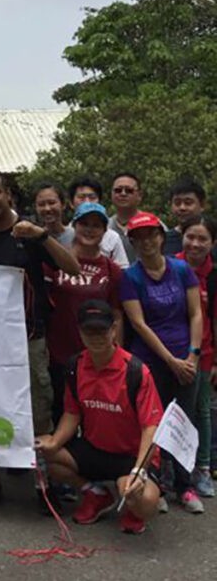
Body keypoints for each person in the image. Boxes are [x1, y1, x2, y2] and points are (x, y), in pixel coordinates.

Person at [0, 169, 80, 509]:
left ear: (8, 194)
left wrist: (41, 235)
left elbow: (71, 268)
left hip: (29, 338)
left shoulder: (29, 232)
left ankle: (45, 484)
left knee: (39, 412)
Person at [35, 300, 163, 535]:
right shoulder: (75, 366)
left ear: (113, 329)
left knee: (144, 501)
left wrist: (138, 471)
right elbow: (72, 413)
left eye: (102, 331)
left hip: (130, 455)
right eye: (89, 331)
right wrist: (54, 441)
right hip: (95, 448)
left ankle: (133, 509)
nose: (96, 337)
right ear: (80, 332)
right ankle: (95, 494)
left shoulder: (136, 371)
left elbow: (151, 427)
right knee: (48, 455)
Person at [120, 211, 204, 513]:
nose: (146, 242)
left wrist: (192, 355)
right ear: (132, 242)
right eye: (138, 238)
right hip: (152, 360)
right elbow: (139, 324)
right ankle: (158, 483)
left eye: (151, 235)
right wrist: (170, 360)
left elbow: (195, 314)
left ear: (160, 236)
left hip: (187, 357)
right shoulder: (130, 277)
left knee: (185, 420)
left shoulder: (182, 270)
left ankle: (185, 485)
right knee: (152, 422)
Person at [43, 202, 124, 426]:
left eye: (96, 225)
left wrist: (119, 352)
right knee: (60, 412)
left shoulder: (112, 270)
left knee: (97, 418)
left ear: (105, 231)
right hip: (59, 354)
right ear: (74, 226)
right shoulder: (55, 263)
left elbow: (117, 313)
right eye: (84, 224)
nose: (89, 230)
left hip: (97, 356)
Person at [175, 215, 217, 498]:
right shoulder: (169, 267)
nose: (195, 243)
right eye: (191, 236)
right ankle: (169, 469)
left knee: (201, 412)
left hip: (203, 356)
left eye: (203, 238)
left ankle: (201, 468)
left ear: (213, 243)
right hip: (170, 354)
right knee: (172, 412)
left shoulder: (214, 275)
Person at [62, 177, 129, 267]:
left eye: (92, 197)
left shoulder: (112, 237)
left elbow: (122, 270)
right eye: (81, 197)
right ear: (71, 203)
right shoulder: (63, 235)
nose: (87, 202)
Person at [163, 178, 206, 255]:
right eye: (177, 203)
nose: (182, 208)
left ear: (202, 205)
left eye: (188, 203)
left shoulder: (213, 236)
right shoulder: (163, 240)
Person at [109, 172, 144, 265]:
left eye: (129, 190)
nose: (123, 194)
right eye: (118, 190)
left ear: (140, 195)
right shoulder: (103, 227)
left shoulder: (153, 226)